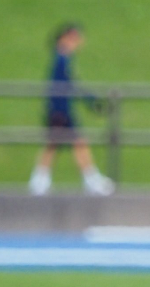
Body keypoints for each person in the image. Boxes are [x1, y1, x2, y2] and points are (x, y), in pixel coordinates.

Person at [28, 23, 115, 196]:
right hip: (61, 109)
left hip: (59, 108)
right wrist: (61, 109)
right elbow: (62, 86)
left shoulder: (62, 58)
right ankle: (90, 179)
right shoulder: (61, 59)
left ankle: (40, 180)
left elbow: (70, 84)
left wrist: (89, 100)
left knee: (55, 144)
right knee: (76, 142)